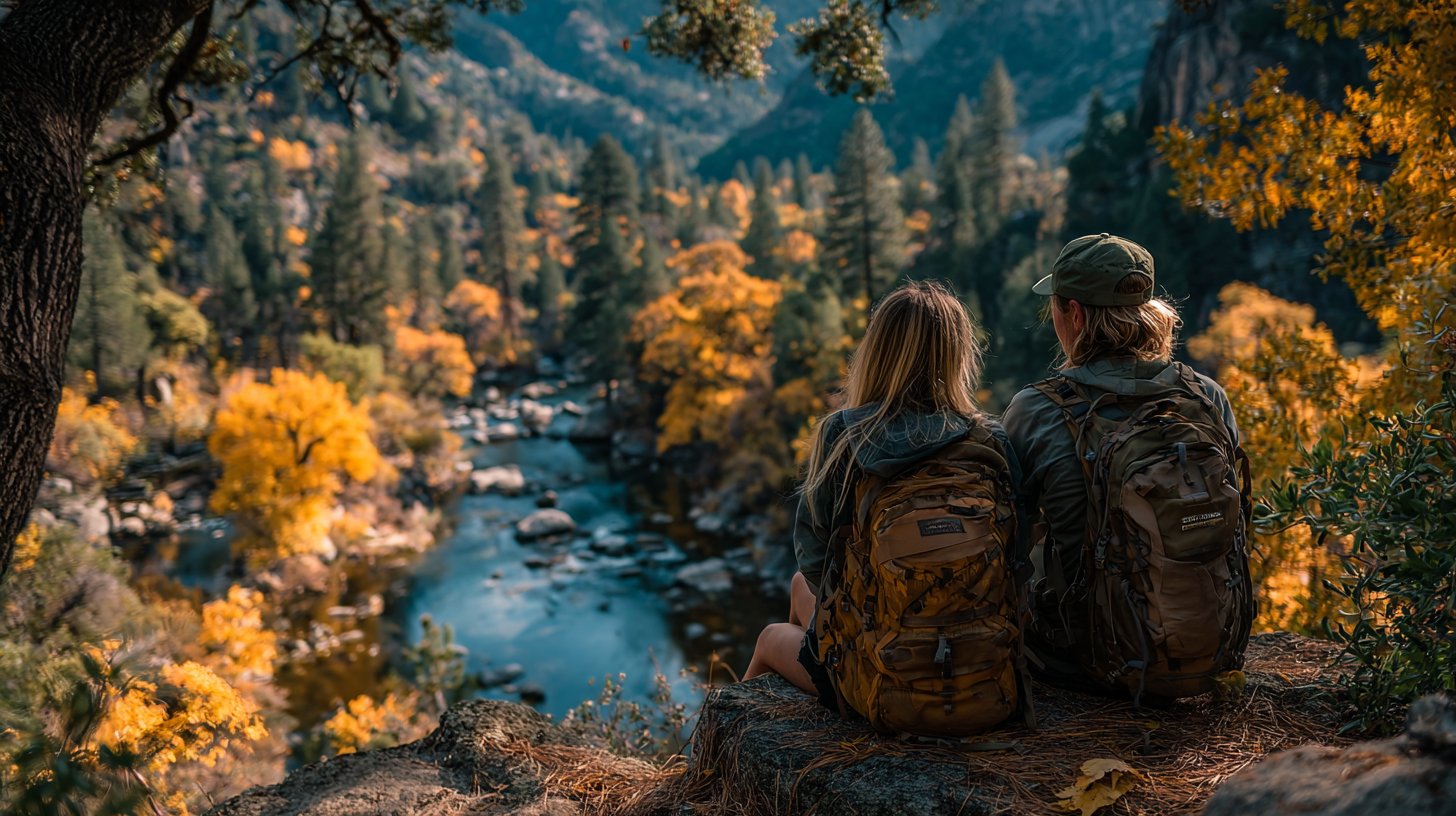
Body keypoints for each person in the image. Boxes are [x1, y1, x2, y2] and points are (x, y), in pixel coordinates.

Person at [745, 281, 1026, 737]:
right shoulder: (989, 439)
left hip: (883, 681)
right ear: (958, 356)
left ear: (876, 351)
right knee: (800, 586)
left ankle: (703, 776)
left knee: (770, 635)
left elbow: (816, 560)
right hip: (985, 670)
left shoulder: (844, 434)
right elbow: (1019, 556)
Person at [1002, 233, 1253, 701]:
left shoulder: (1035, 410)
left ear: (1074, 315)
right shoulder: (1206, 396)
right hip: (1211, 647)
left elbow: (1007, 547)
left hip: (1081, 662)